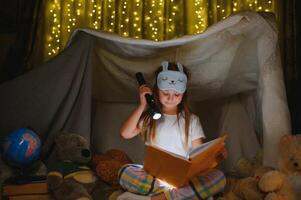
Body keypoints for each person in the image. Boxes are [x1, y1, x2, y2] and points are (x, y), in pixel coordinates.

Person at [118, 61, 227, 200]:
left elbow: (200, 156)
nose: (170, 98)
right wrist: (143, 105)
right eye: (165, 93)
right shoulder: (150, 118)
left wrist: (216, 156)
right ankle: (182, 195)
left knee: (218, 177)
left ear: (183, 94)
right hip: (154, 178)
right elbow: (125, 133)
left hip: (183, 180)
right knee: (124, 172)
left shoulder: (192, 120)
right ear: (157, 91)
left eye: (176, 94)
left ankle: (157, 198)